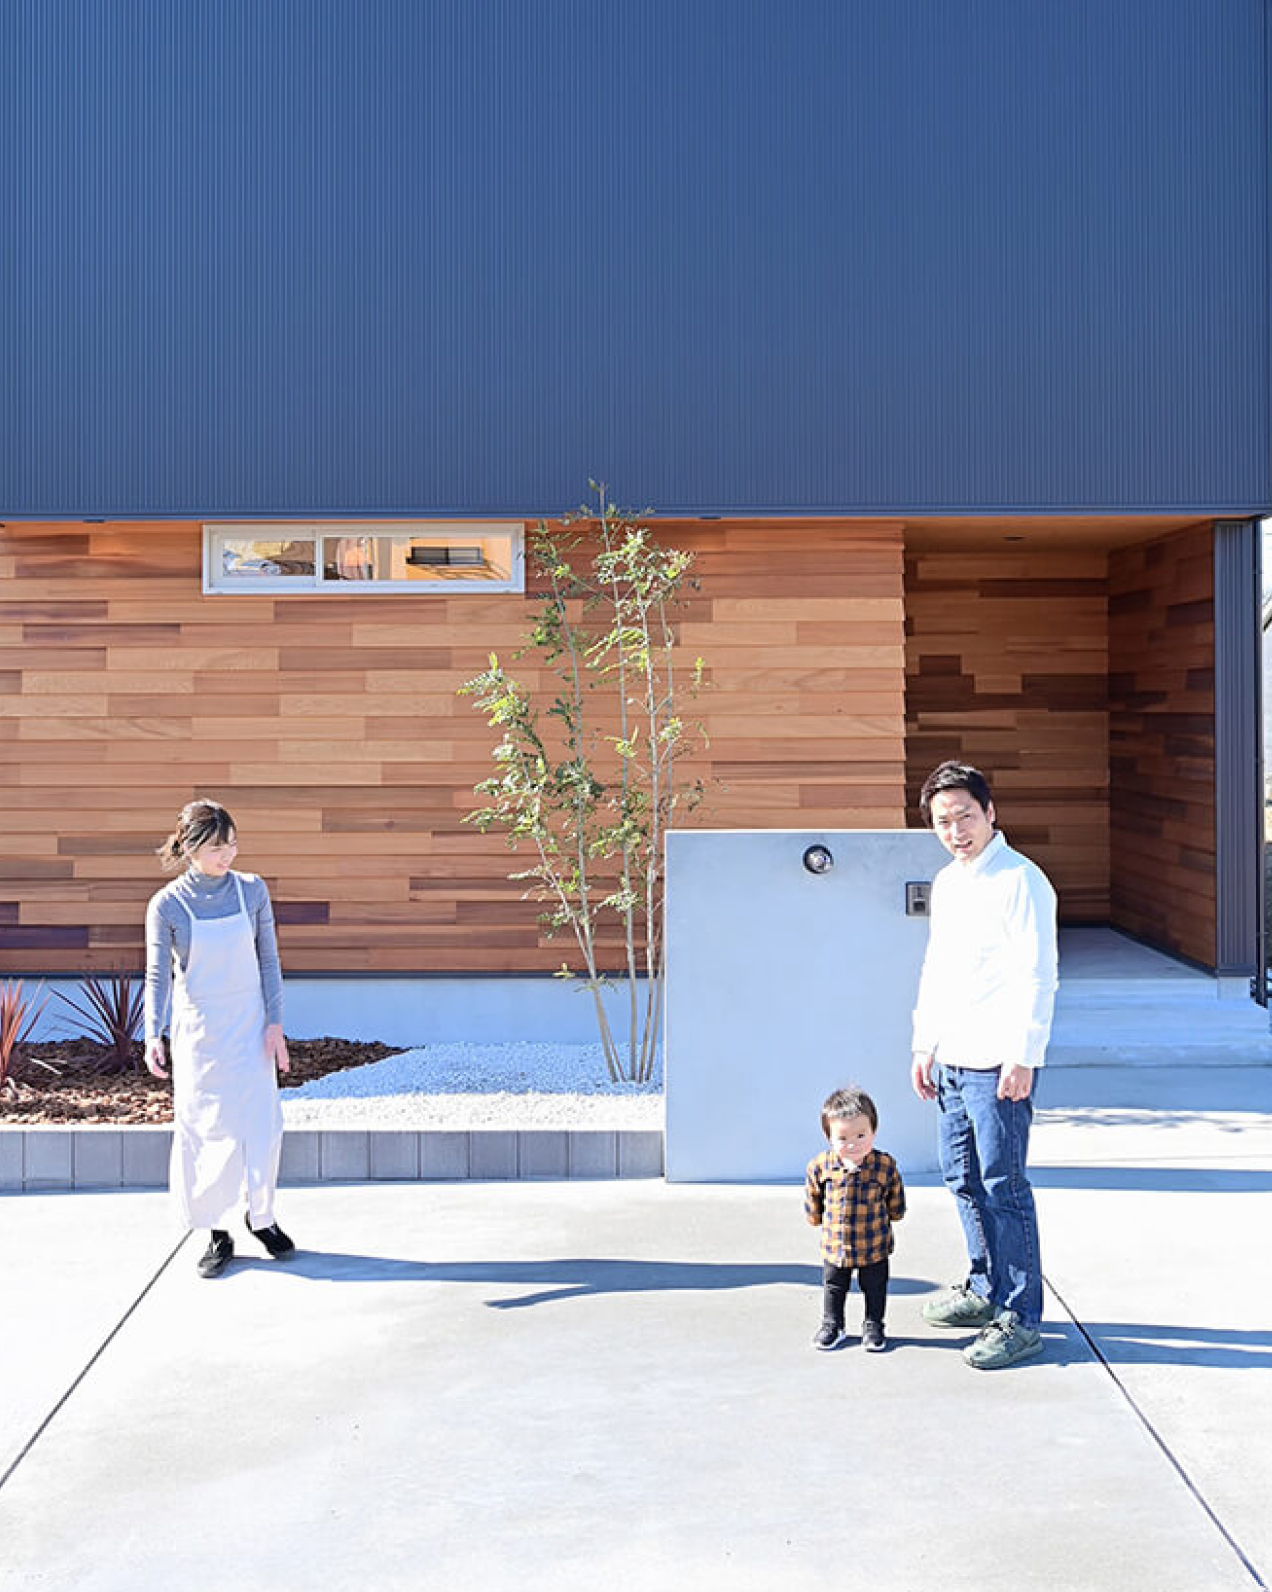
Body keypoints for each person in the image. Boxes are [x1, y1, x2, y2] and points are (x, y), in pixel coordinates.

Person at [911, 760, 1057, 1369]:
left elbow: (1038, 976)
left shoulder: (1021, 881)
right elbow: (937, 969)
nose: (956, 830)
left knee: (1004, 1188)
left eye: (965, 816)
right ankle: (984, 1285)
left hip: (998, 1064)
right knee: (963, 1180)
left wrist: (1022, 1056)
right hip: (951, 1059)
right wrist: (924, 1044)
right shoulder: (948, 881)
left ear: (990, 812)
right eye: (943, 821)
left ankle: (1021, 1317)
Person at [144, 798, 296, 1279]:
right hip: (199, 1032)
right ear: (189, 848)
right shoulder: (167, 904)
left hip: (250, 1025)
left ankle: (261, 1216)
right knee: (207, 1130)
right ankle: (217, 1231)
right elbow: (157, 976)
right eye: (215, 847)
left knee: (261, 1125)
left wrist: (275, 1024)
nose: (227, 855)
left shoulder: (252, 890)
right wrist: (153, 1033)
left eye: (231, 844)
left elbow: (269, 960)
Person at [804, 1086, 906, 1353]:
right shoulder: (820, 1166)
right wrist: (814, 1217)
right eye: (843, 1137)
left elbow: (894, 1196)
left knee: (875, 1286)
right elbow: (814, 1196)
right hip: (836, 1244)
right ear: (829, 1137)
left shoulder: (884, 1165)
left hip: (874, 1244)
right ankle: (832, 1324)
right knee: (834, 1286)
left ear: (874, 1131)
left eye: (861, 1135)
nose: (853, 1144)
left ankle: (873, 1325)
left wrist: (896, 1214)